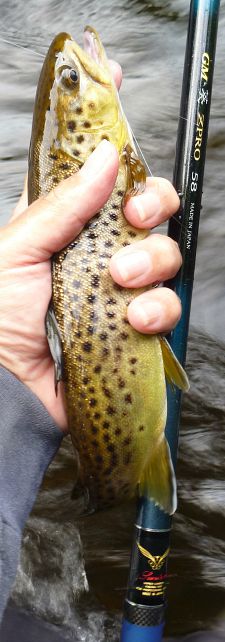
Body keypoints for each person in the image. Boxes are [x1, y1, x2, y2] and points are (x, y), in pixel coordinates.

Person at [0, 59, 182, 625]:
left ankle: (114, 481)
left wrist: (6, 368)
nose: (80, 74)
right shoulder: (98, 158)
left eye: (70, 82)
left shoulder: (92, 158)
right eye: (72, 85)